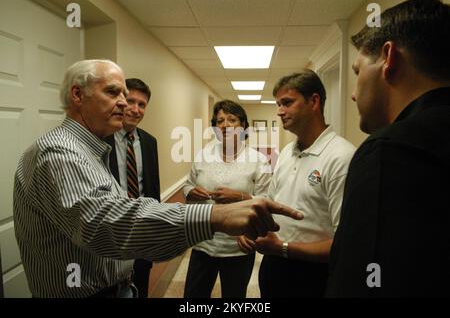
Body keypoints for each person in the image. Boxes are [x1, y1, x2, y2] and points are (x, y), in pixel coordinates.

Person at [12, 59, 303, 298]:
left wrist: (237, 204)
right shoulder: (60, 153)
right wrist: (212, 215)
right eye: (114, 93)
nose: (125, 105)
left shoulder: (92, 151)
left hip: (228, 251)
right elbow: (105, 224)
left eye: (126, 96)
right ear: (78, 95)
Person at [326, 0, 450, 297]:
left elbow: (366, 284)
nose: (353, 95)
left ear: (388, 57)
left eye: (357, 73)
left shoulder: (391, 151)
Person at [238, 70, 356, 297]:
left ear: (314, 101)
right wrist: (251, 228)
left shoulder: (341, 157)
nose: (279, 111)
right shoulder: (286, 153)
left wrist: (282, 248)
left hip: (313, 276)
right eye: (278, 104)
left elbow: (347, 244)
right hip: (275, 266)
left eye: (287, 103)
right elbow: (271, 204)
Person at [183, 100, 271, 298]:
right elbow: (188, 185)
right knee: (193, 298)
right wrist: (190, 192)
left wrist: (239, 197)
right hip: (203, 242)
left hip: (238, 246)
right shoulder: (203, 155)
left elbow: (266, 200)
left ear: (243, 127)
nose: (225, 125)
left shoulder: (259, 160)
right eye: (220, 121)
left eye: (232, 120)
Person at [104, 78, 159, 298]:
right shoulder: (101, 140)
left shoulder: (149, 142)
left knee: (140, 289)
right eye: (130, 101)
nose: (135, 110)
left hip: (142, 235)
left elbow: (153, 190)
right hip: (110, 235)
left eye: (142, 104)